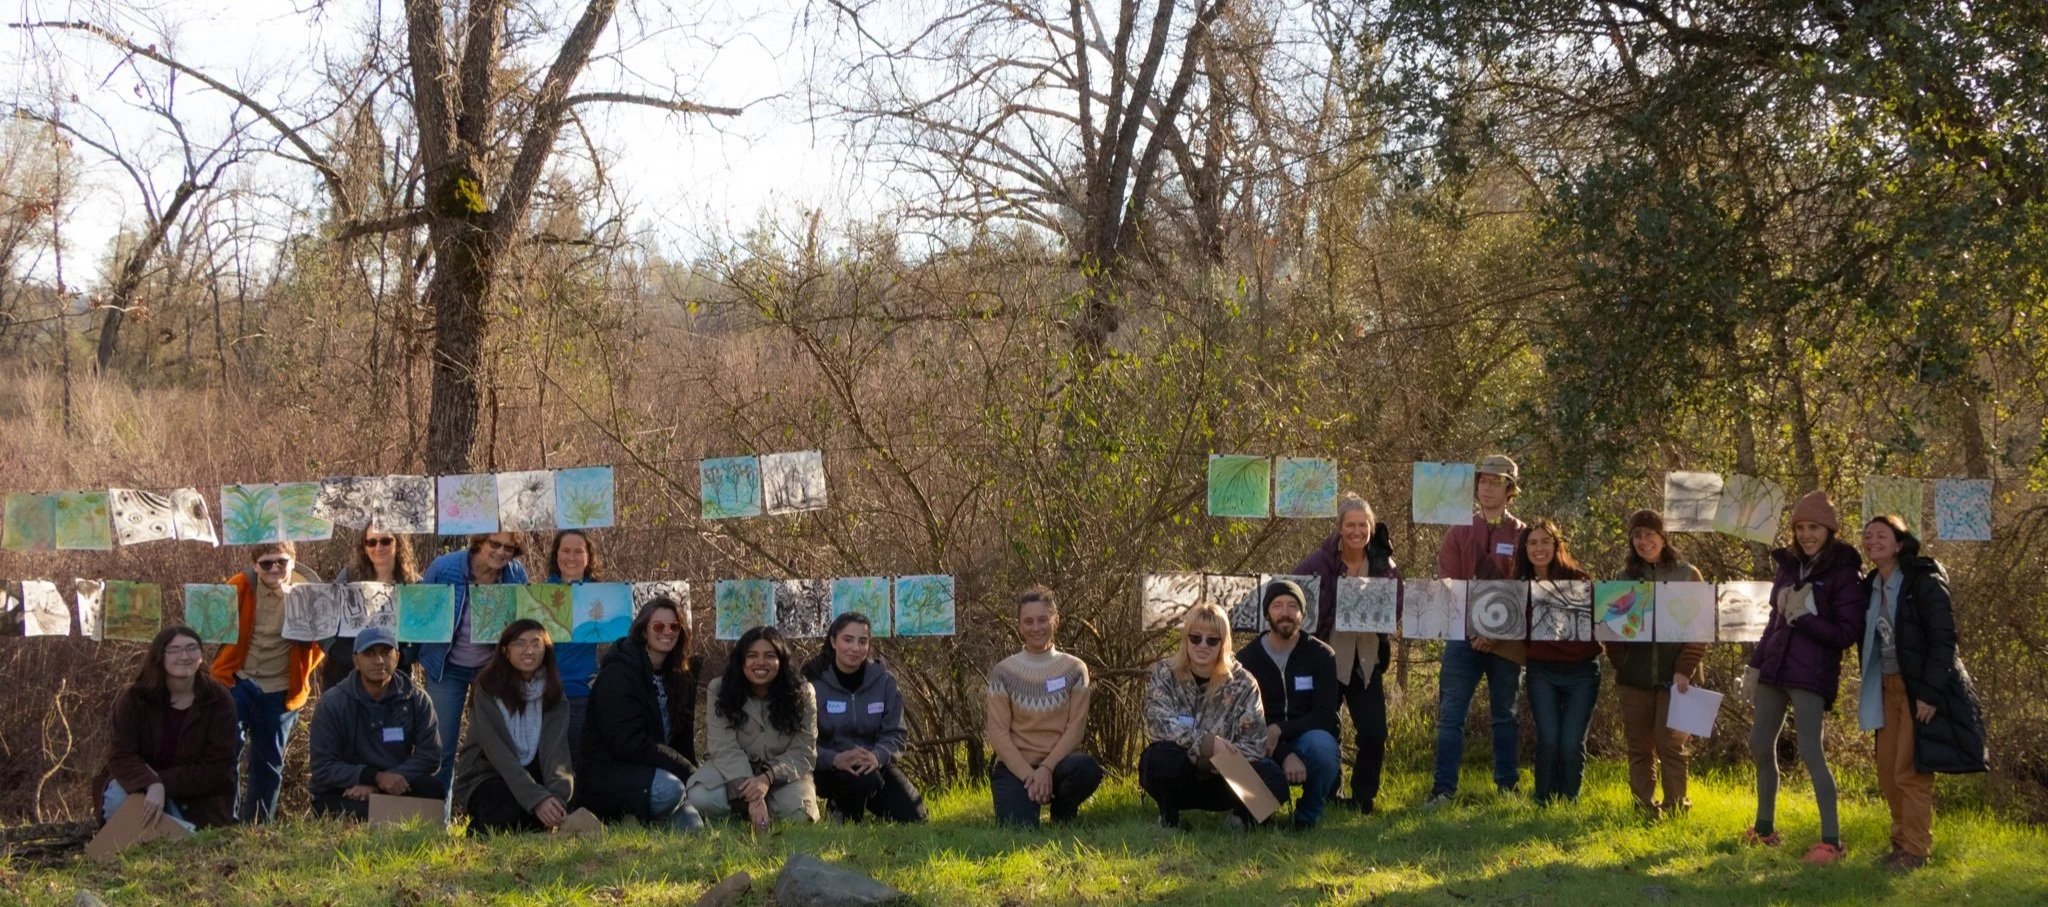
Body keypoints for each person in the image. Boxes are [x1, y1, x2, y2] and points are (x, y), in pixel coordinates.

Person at [1856, 515, 1987, 870]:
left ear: (1900, 543)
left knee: (1910, 772)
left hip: (1919, 691)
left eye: (1881, 536)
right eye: (1867, 537)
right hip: (1886, 688)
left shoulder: (1924, 582)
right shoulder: (1870, 586)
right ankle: (1899, 845)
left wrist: (1929, 694)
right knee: (1887, 773)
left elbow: (1944, 640)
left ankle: (1916, 851)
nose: (1872, 541)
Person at [1744, 491, 1866, 864]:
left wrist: (1805, 618)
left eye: (1814, 527)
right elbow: (1773, 623)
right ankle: (1764, 830)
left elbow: (1846, 634)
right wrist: (1755, 664)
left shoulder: (1845, 572)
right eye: (1799, 528)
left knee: (1811, 752)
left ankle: (1831, 842)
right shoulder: (1787, 566)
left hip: (1811, 674)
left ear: (1829, 529)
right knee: (1759, 744)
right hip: (1775, 668)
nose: (1806, 534)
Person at [1291, 492, 1400, 815]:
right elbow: (1293, 594)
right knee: (1325, 729)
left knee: (1374, 732)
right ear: (1339, 528)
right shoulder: (1319, 561)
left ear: (1370, 526)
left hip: (1366, 660)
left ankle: (1363, 798)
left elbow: (1396, 605)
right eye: (1350, 525)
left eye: (1362, 525)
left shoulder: (1383, 564)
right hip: (1326, 659)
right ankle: (1329, 794)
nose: (1356, 531)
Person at [1428, 454, 1528, 806]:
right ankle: (1442, 791)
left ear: (1510, 490)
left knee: (1505, 716)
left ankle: (1507, 789)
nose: (1488, 489)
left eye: (1496, 482)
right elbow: (1448, 585)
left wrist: (1495, 634)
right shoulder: (1459, 530)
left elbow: (1523, 590)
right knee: (1451, 717)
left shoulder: (1522, 534)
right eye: (1483, 482)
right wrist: (1475, 632)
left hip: (1507, 642)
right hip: (1462, 638)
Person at [1140, 603, 1286, 830]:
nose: (1202, 646)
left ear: (1223, 643)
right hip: (1181, 777)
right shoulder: (1164, 673)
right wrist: (1210, 745)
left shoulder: (1244, 683)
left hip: (1225, 780)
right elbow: (1158, 725)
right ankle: (1170, 818)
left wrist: (1210, 760)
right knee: (1158, 758)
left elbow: (1254, 744)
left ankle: (1240, 819)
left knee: (1273, 779)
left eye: (1212, 640)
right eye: (1195, 638)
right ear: (1185, 640)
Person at [209, 540, 324, 823]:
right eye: (266, 563)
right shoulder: (239, 586)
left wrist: (304, 670)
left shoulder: (309, 595)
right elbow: (214, 624)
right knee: (226, 751)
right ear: (254, 566)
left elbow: (323, 641)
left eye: (281, 562)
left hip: (281, 689)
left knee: (269, 762)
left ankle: (257, 827)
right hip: (240, 681)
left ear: (293, 562)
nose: (274, 568)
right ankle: (225, 822)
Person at [1610, 509, 1709, 817]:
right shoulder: (1624, 578)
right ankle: (1643, 807)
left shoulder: (1687, 573)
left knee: (1672, 746)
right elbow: (1612, 631)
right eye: (1637, 535)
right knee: (1639, 746)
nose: (1644, 541)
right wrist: (1623, 664)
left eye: (1650, 534)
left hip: (1678, 679)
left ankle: (1677, 806)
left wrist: (1684, 670)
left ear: (1664, 537)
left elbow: (1699, 628)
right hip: (1634, 678)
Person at [574, 597, 702, 829]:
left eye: (674, 627)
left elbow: (681, 739)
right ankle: (629, 819)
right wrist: (686, 771)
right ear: (644, 631)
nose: (667, 632)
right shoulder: (618, 674)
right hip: (612, 773)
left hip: (657, 770)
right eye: (658, 626)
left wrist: (696, 776)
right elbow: (628, 743)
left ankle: (653, 818)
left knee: (695, 827)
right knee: (671, 790)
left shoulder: (679, 675)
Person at [417, 531, 530, 794]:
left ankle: (484, 811)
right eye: (495, 544)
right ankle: (434, 821)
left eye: (509, 548)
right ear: (480, 542)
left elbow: (523, 624)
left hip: (491, 670)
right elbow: (420, 613)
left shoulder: (515, 576)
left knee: (495, 744)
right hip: (446, 668)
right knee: (440, 746)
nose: (501, 552)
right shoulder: (444, 568)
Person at [99, 626, 238, 829]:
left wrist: (159, 782)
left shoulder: (219, 700)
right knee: (118, 803)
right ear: (159, 656)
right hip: (140, 787)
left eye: (192, 648)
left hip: (199, 797)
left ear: (201, 656)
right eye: (174, 650)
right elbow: (120, 755)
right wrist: (150, 783)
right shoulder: (135, 699)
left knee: (184, 839)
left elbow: (216, 766)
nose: (184, 656)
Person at [985, 585, 1102, 826]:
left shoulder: (1075, 669)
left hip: (1059, 764)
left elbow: (1075, 729)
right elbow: (998, 734)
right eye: (1028, 621)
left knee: (1088, 769)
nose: (1036, 628)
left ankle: (1062, 812)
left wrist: (1047, 768)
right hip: (1015, 768)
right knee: (1017, 830)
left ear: (1055, 621)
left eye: (1042, 619)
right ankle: (1029, 800)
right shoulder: (1003, 673)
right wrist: (1031, 776)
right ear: (1019, 626)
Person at [687, 626, 820, 826]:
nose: (760, 662)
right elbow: (723, 747)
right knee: (701, 797)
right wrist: (754, 793)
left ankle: (759, 808)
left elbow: (803, 752)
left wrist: (767, 778)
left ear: (781, 661)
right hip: (730, 771)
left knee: (799, 814)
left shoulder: (802, 693)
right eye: (752, 655)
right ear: (742, 661)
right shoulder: (719, 689)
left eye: (769, 656)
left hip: (781, 775)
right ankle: (748, 809)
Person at [1235, 579, 1341, 829]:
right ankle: (1259, 813)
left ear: (1303, 614)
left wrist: (1281, 730)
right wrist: (1284, 753)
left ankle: (1308, 816)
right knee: (1238, 751)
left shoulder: (1322, 655)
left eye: (1293, 606)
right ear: (1266, 614)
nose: (1285, 613)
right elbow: (1243, 720)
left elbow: (1325, 715)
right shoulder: (1246, 659)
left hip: (1306, 738)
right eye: (1277, 605)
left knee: (1324, 748)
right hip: (1260, 741)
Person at [307, 626, 444, 819]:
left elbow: (430, 756)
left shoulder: (417, 699)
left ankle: (396, 820)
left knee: (433, 789)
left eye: (385, 653)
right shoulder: (332, 703)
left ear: (397, 657)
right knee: (352, 813)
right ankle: (392, 820)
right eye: (369, 653)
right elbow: (323, 767)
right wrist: (374, 777)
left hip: (395, 785)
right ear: (356, 660)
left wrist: (382, 784)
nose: (379, 661)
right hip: (348, 791)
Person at [803, 612, 927, 823]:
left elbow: (896, 734)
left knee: (915, 817)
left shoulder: (885, 682)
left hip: (874, 765)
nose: (855, 648)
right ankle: (840, 809)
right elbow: (802, 741)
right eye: (848, 640)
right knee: (860, 788)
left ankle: (863, 802)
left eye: (863, 641)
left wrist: (877, 756)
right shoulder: (813, 683)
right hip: (827, 768)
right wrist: (834, 759)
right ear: (833, 641)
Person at [453, 620, 574, 833]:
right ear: (505, 650)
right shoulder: (487, 688)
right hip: (487, 771)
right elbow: (498, 753)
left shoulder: (554, 694)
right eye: (519, 643)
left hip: (533, 772)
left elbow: (556, 753)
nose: (528, 650)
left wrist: (556, 798)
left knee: (547, 809)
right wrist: (536, 799)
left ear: (545, 650)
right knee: (505, 809)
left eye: (536, 643)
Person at [1517, 519, 1598, 805]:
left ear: (1556, 546)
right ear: (1524, 548)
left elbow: (1600, 623)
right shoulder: (1519, 587)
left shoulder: (1579, 580)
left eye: (1545, 542)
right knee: (1549, 739)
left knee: (1571, 741)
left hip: (1582, 672)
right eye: (1533, 543)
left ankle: (1569, 798)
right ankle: (1543, 797)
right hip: (1542, 672)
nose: (1539, 548)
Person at [320, 525, 421, 690]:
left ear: (398, 543)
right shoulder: (348, 577)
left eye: (386, 541)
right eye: (371, 542)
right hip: (345, 672)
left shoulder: (414, 585)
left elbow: (423, 635)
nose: (378, 547)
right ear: (364, 548)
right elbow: (324, 616)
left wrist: (403, 658)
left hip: (393, 674)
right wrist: (333, 649)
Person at [544, 530, 602, 745]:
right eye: (565, 550)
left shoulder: (602, 595)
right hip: (544, 694)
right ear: (556, 555)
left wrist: (604, 674)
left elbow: (621, 643)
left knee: (579, 760)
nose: (571, 557)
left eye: (578, 551)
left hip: (582, 693)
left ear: (588, 557)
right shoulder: (537, 595)